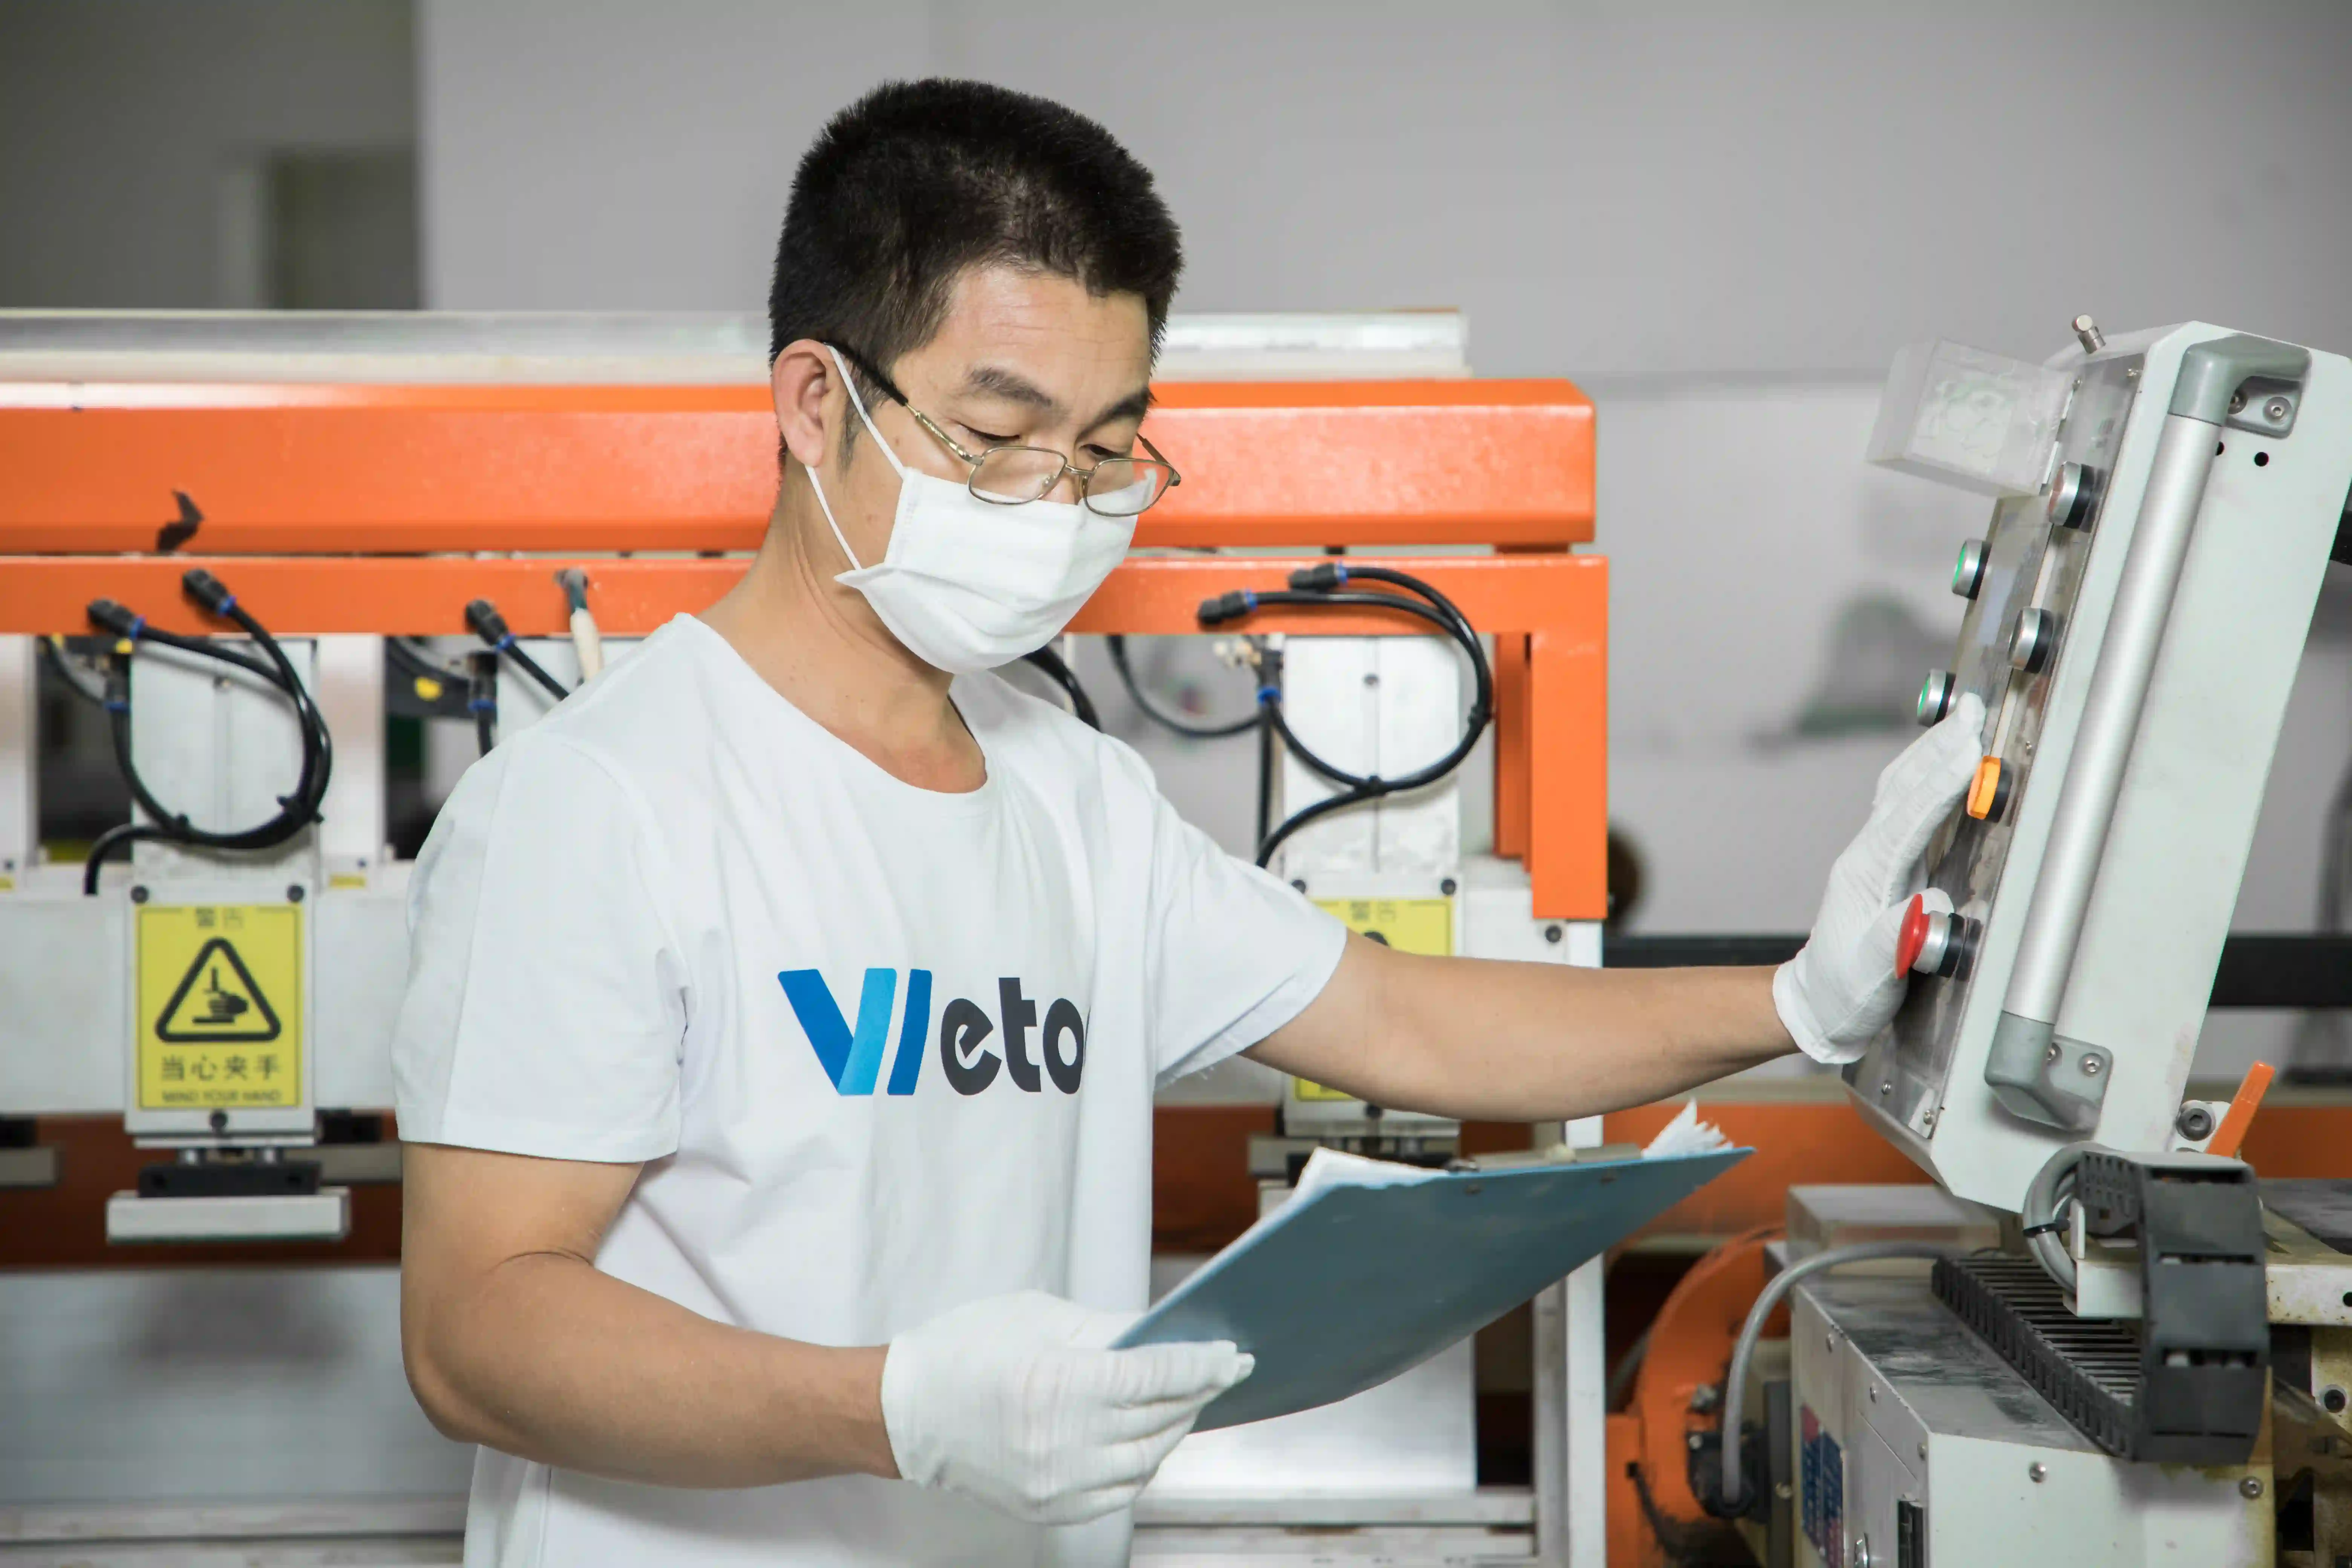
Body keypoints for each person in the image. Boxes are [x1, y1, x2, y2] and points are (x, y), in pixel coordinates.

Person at [392, 78, 1985, 1568]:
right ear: (815, 401)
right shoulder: (604, 803)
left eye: (1099, 450)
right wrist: (891, 1405)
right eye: (990, 436)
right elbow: (477, 1331)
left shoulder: (1073, 795)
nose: (1051, 502)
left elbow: (1394, 1011)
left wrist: (1791, 1003)